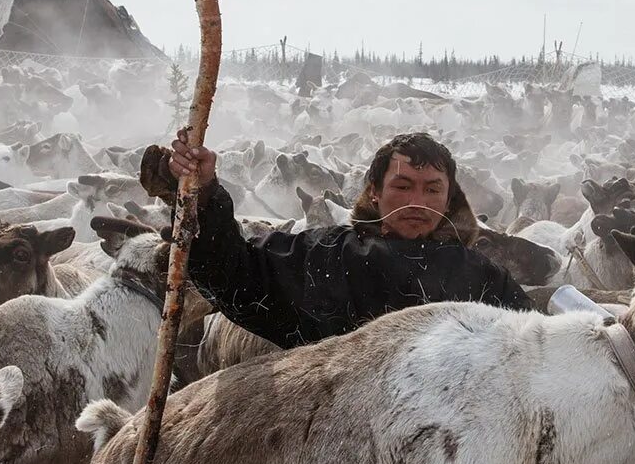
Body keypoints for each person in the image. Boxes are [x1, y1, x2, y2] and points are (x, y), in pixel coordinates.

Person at [140, 130, 534, 349]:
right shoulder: (328, 255)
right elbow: (235, 277)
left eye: (432, 190)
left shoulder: (483, 279)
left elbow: (535, 347)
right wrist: (202, 194)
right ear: (375, 192)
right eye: (403, 186)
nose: (418, 202)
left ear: (449, 198)